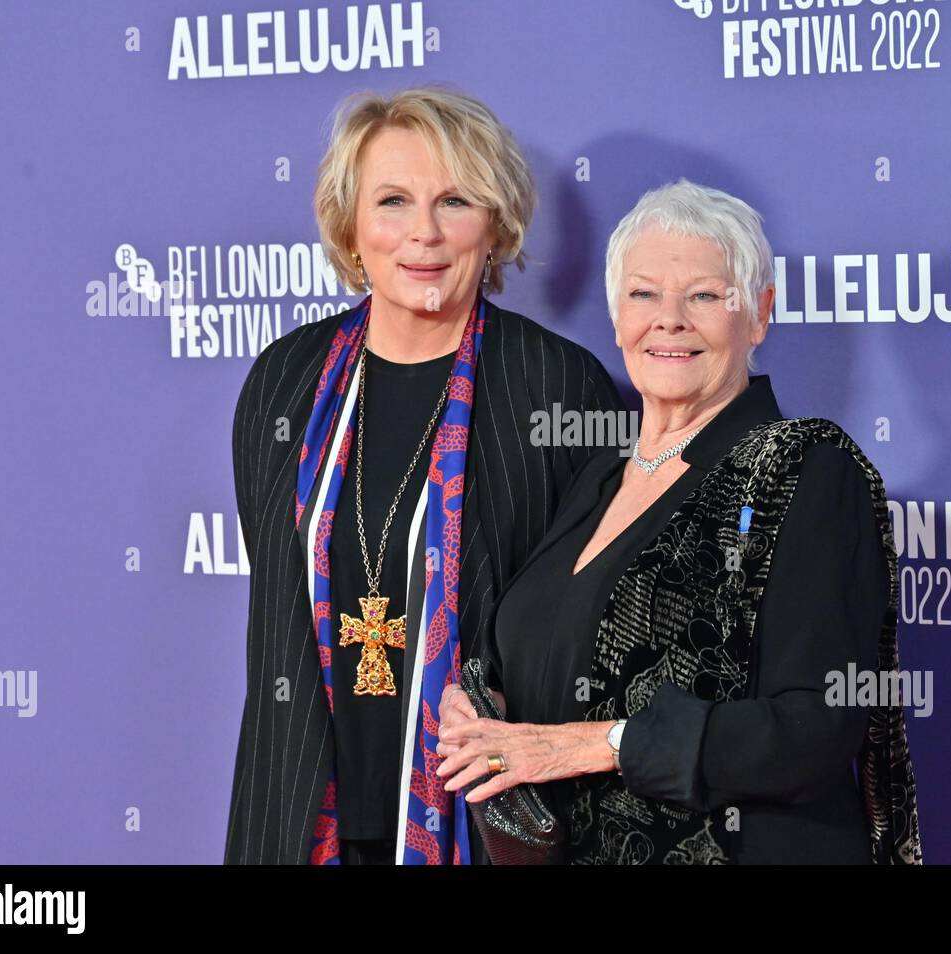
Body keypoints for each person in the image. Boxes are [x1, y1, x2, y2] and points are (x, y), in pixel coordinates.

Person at [435, 179, 923, 864]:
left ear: (758, 314)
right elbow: (547, 650)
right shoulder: (599, 474)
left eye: (704, 295)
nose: (669, 319)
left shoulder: (805, 469)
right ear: (615, 316)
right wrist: (478, 704)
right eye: (643, 294)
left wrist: (590, 745)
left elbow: (819, 724)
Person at [225, 87, 626, 865]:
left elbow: (582, 633)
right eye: (393, 201)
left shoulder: (558, 387)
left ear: (497, 223)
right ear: (350, 225)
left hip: (481, 822)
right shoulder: (284, 383)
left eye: (455, 201)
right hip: (299, 813)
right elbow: (280, 608)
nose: (425, 234)